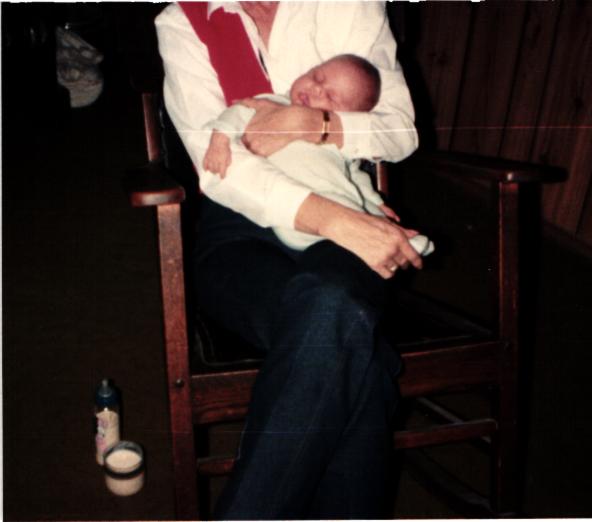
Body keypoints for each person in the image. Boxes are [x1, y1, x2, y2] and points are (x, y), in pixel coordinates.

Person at [156, 2, 420, 518]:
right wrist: (335, 220)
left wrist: (318, 125)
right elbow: (216, 166)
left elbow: (399, 129)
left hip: (343, 214)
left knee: (335, 315)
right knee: (355, 350)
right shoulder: (183, 20)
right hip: (239, 228)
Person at [203, 53, 403, 250]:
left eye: (330, 97)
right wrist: (220, 140)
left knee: (364, 213)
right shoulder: (271, 104)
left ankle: (396, 236)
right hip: (297, 208)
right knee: (355, 220)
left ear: (343, 116)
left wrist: (375, 202)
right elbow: (238, 111)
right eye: (316, 77)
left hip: (341, 199)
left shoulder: (333, 137)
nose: (317, 89)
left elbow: (355, 176)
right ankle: (384, 235)